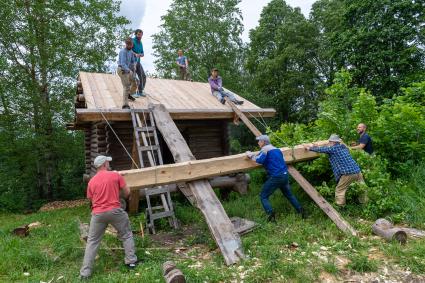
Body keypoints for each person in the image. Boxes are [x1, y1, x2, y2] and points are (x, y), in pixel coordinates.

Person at [80, 155, 138, 279]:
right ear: (104, 164)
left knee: (92, 242)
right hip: (115, 211)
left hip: (98, 214)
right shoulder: (115, 175)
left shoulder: (91, 181)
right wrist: (117, 192)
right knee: (126, 235)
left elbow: (90, 198)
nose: (109, 164)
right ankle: (131, 262)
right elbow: (127, 192)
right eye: (108, 162)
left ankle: (85, 273)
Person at [246, 135, 305, 222]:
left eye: (259, 141)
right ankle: (302, 212)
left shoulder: (265, 149)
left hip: (276, 177)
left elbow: (259, 160)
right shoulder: (276, 149)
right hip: (284, 175)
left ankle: (271, 216)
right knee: (289, 195)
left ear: (263, 142)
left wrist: (250, 155)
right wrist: (254, 154)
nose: (258, 143)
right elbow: (266, 157)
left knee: (263, 196)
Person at [304, 134, 367, 207]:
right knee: (362, 188)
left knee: (339, 190)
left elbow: (322, 149)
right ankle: (365, 204)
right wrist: (318, 145)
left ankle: (340, 207)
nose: (329, 143)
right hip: (357, 171)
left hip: (348, 173)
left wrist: (309, 148)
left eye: (330, 142)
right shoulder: (343, 147)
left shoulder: (333, 149)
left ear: (333, 142)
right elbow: (328, 147)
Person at [118, 38, 137, 109]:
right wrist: (129, 70)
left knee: (135, 82)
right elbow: (122, 64)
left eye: (131, 45)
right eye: (129, 45)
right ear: (126, 44)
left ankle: (129, 94)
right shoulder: (123, 52)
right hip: (122, 70)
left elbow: (133, 60)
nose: (130, 46)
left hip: (128, 70)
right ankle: (125, 105)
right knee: (126, 86)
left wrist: (134, 64)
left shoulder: (131, 51)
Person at [132, 29, 147, 95]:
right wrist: (135, 54)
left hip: (138, 62)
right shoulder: (132, 41)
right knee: (133, 77)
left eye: (141, 35)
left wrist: (141, 54)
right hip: (132, 62)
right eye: (138, 35)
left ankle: (140, 91)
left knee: (143, 76)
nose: (140, 36)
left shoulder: (140, 43)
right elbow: (129, 50)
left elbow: (142, 53)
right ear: (135, 34)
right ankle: (133, 92)